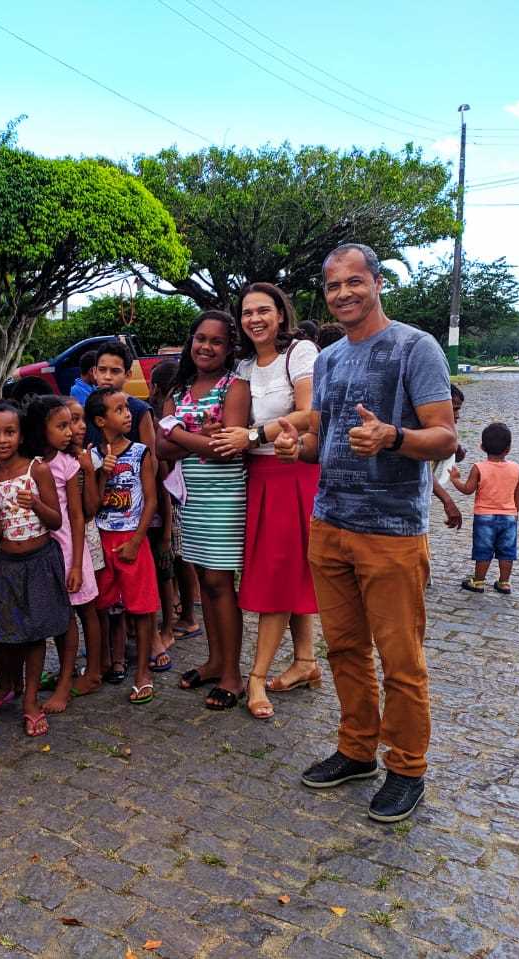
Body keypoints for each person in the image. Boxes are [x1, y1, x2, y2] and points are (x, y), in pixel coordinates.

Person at [287, 242, 456, 823]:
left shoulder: (416, 347)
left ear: (377, 283)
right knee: (346, 649)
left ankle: (407, 766)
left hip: (392, 531)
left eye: (354, 282)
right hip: (329, 523)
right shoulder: (329, 360)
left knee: (400, 658)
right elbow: (322, 444)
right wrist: (295, 446)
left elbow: (445, 438)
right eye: (333, 287)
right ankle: (357, 749)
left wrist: (393, 437)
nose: (343, 295)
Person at [210, 283, 321, 720]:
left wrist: (254, 434)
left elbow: (310, 413)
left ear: (280, 315)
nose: (254, 319)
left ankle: (256, 677)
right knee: (289, 570)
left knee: (278, 575)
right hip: (257, 476)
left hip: (291, 471)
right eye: (247, 312)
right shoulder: (242, 366)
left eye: (263, 311)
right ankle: (307, 661)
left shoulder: (301, 353)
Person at [156, 312, 250, 711]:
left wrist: (177, 433)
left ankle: (233, 675)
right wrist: (198, 438)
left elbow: (226, 447)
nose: (206, 347)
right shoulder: (178, 389)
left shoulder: (236, 386)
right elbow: (160, 450)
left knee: (218, 582)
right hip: (191, 496)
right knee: (203, 581)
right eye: (200, 339)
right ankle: (214, 662)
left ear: (230, 349)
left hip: (226, 495)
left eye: (216, 341)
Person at [0, 401, 70, 737]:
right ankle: (8, 685)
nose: (2, 439)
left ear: (20, 435)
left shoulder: (37, 469)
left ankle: (31, 701)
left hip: (40, 561)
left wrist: (37, 504)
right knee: (1, 631)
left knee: (34, 634)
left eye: (9, 432)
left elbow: (56, 520)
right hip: (6, 563)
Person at [87, 387, 160, 705]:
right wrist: (101, 474)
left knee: (142, 608)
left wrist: (137, 540)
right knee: (105, 606)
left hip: (131, 539)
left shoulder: (140, 452)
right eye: (119, 409)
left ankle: (142, 671)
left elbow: (151, 500)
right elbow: (91, 504)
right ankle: (105, 661)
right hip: (102, 539)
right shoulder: (92, 455)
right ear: (101, 420)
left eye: (127, 407)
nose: (127, 413)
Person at [25, 394, 96, 713]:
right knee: (56, 616)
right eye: (62, 426)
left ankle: (75, 678)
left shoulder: (67, 463)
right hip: (40, 552)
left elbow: (78, 515)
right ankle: (64, 673)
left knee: (76, 615)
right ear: (42, 429)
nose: (70, 432)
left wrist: (78, 562)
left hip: (68, 549)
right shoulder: (29, 463)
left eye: (71, 424)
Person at [63, 396, 106, 698]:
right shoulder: (48, 460)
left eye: (79, 420)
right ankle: (73, 666)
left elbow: (91, 508)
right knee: (65, 611)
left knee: (89, 608)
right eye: (67, 422)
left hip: (84, 539)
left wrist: (89, 471)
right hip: (60, 542)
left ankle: (94, 669)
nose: (76, 428)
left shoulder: (85, 459)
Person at [449, 422, 519, 595]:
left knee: (483, 549)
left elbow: (468, 489)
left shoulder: (479, 468)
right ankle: (504, 582)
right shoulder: (515, 468)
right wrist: (515, 511)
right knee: (507, 551)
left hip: (484, 517)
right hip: (509, 517)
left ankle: (479, 580)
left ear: (482, 447)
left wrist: (455, 479)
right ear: (508, 448)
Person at [143, 359, 180, 665]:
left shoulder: (155, 434)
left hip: (158, 520)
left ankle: (167, 625)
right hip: (132, 523)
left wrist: (166, 530)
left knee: (165, 572)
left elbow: (165, 488)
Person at [86, 339, 158, 452]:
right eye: (102, 370)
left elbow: (151, 455)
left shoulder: (140, 410)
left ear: (128, 375)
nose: (107, 376)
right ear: (95, 372)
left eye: (115, 371)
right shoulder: (87, 407)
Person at [430, 385, 467, 533]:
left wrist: (457, 448)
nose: (458, 415)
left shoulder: (446, 429)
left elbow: (457, 455)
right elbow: (423, 469)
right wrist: (447, 501)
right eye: (455, 409)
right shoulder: (424, 431)